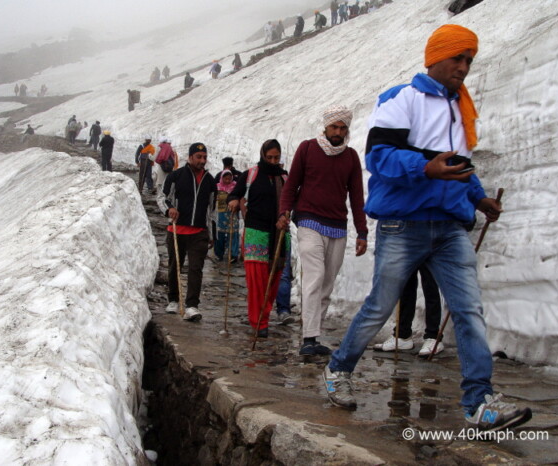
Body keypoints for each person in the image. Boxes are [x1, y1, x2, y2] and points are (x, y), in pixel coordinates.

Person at [323, 25, 532, 435]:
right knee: (380, 307)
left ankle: (478, 402)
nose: (464, 67)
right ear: (435, 57)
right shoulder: (403, 99)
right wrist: (424, 167)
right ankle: (337, 369)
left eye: (469, 60)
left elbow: (458, 165)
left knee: (469, 310)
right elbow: (379, 156)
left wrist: (478, 198)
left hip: (450, 227)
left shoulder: (461, 108)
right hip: (404, 224)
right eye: (458, 57)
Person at [277, 105, 368, 356]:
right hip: (308, 221)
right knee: (315, 277)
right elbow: (291, 184)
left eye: (342, 128)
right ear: (325, 127)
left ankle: (314, 336)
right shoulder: (307, 148)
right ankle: (308, 338)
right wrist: (284, 211)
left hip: (337, 226)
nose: (338, 132)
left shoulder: (350, 157)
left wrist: (362, 232)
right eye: (334, 127)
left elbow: (357, 197)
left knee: (327, 284)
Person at [228, 140, 289, 338]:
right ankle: (258, 321)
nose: (273, 161)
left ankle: (264, 315)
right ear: (262, 155)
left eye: (276, 157)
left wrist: (287, 217)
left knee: (273, 281)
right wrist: (234, 201)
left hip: (279, 235)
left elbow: (292, 204)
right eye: (269, 157)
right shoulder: (251, 175)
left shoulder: (284, 177)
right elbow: (234, 194)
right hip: (256, 233)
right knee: (257, 282)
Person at [162, 143, 217, 322]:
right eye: (198, 157)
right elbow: (162, 197)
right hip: (177, 229)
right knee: (174, 266)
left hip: (199, 232)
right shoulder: (176, 176)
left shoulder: (210, 181)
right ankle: (173, 300)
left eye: (204, 157)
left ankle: (192, 305)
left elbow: (213, 210)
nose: (202, 160)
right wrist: (169, 209)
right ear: (190, 157)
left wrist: (212, 233)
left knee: (196, 269)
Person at [373, 265, 444, 356]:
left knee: (430, 285)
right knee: (406, 284)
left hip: (431, 251)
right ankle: (403, 335)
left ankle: (433, 337)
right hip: (409, 250)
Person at [214, 170, 240, 263]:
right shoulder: (217, 187)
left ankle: (233, 255)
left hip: (232, 214)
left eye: (230, 179)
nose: (228, 181)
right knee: (219, 235)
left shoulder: (235, 187)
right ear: (222, 178)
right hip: (220, 215)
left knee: (233, 235)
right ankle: (218, 254)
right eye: (226, 179)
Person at [154, 137, 179, 208]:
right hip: (170, 168)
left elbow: (156, 158)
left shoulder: (161, 148)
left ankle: (160, 201)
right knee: (168, 183)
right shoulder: (172, 149)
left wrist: (150, 156)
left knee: (160, 184)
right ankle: (166, 199)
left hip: (162, 168)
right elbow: (175, 159)